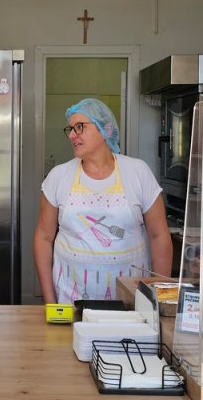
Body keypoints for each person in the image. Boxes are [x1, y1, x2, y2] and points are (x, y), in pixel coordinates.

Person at [34, 98, 172, 305]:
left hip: (131, 302)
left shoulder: (137, 172)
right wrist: (50, 301)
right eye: (70, 129)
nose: (72, 135)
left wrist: (159, 300)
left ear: (106, 129)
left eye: (80, 127)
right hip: (71, 298)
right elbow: (43, 238)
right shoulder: (59, 176)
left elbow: (159, 236)